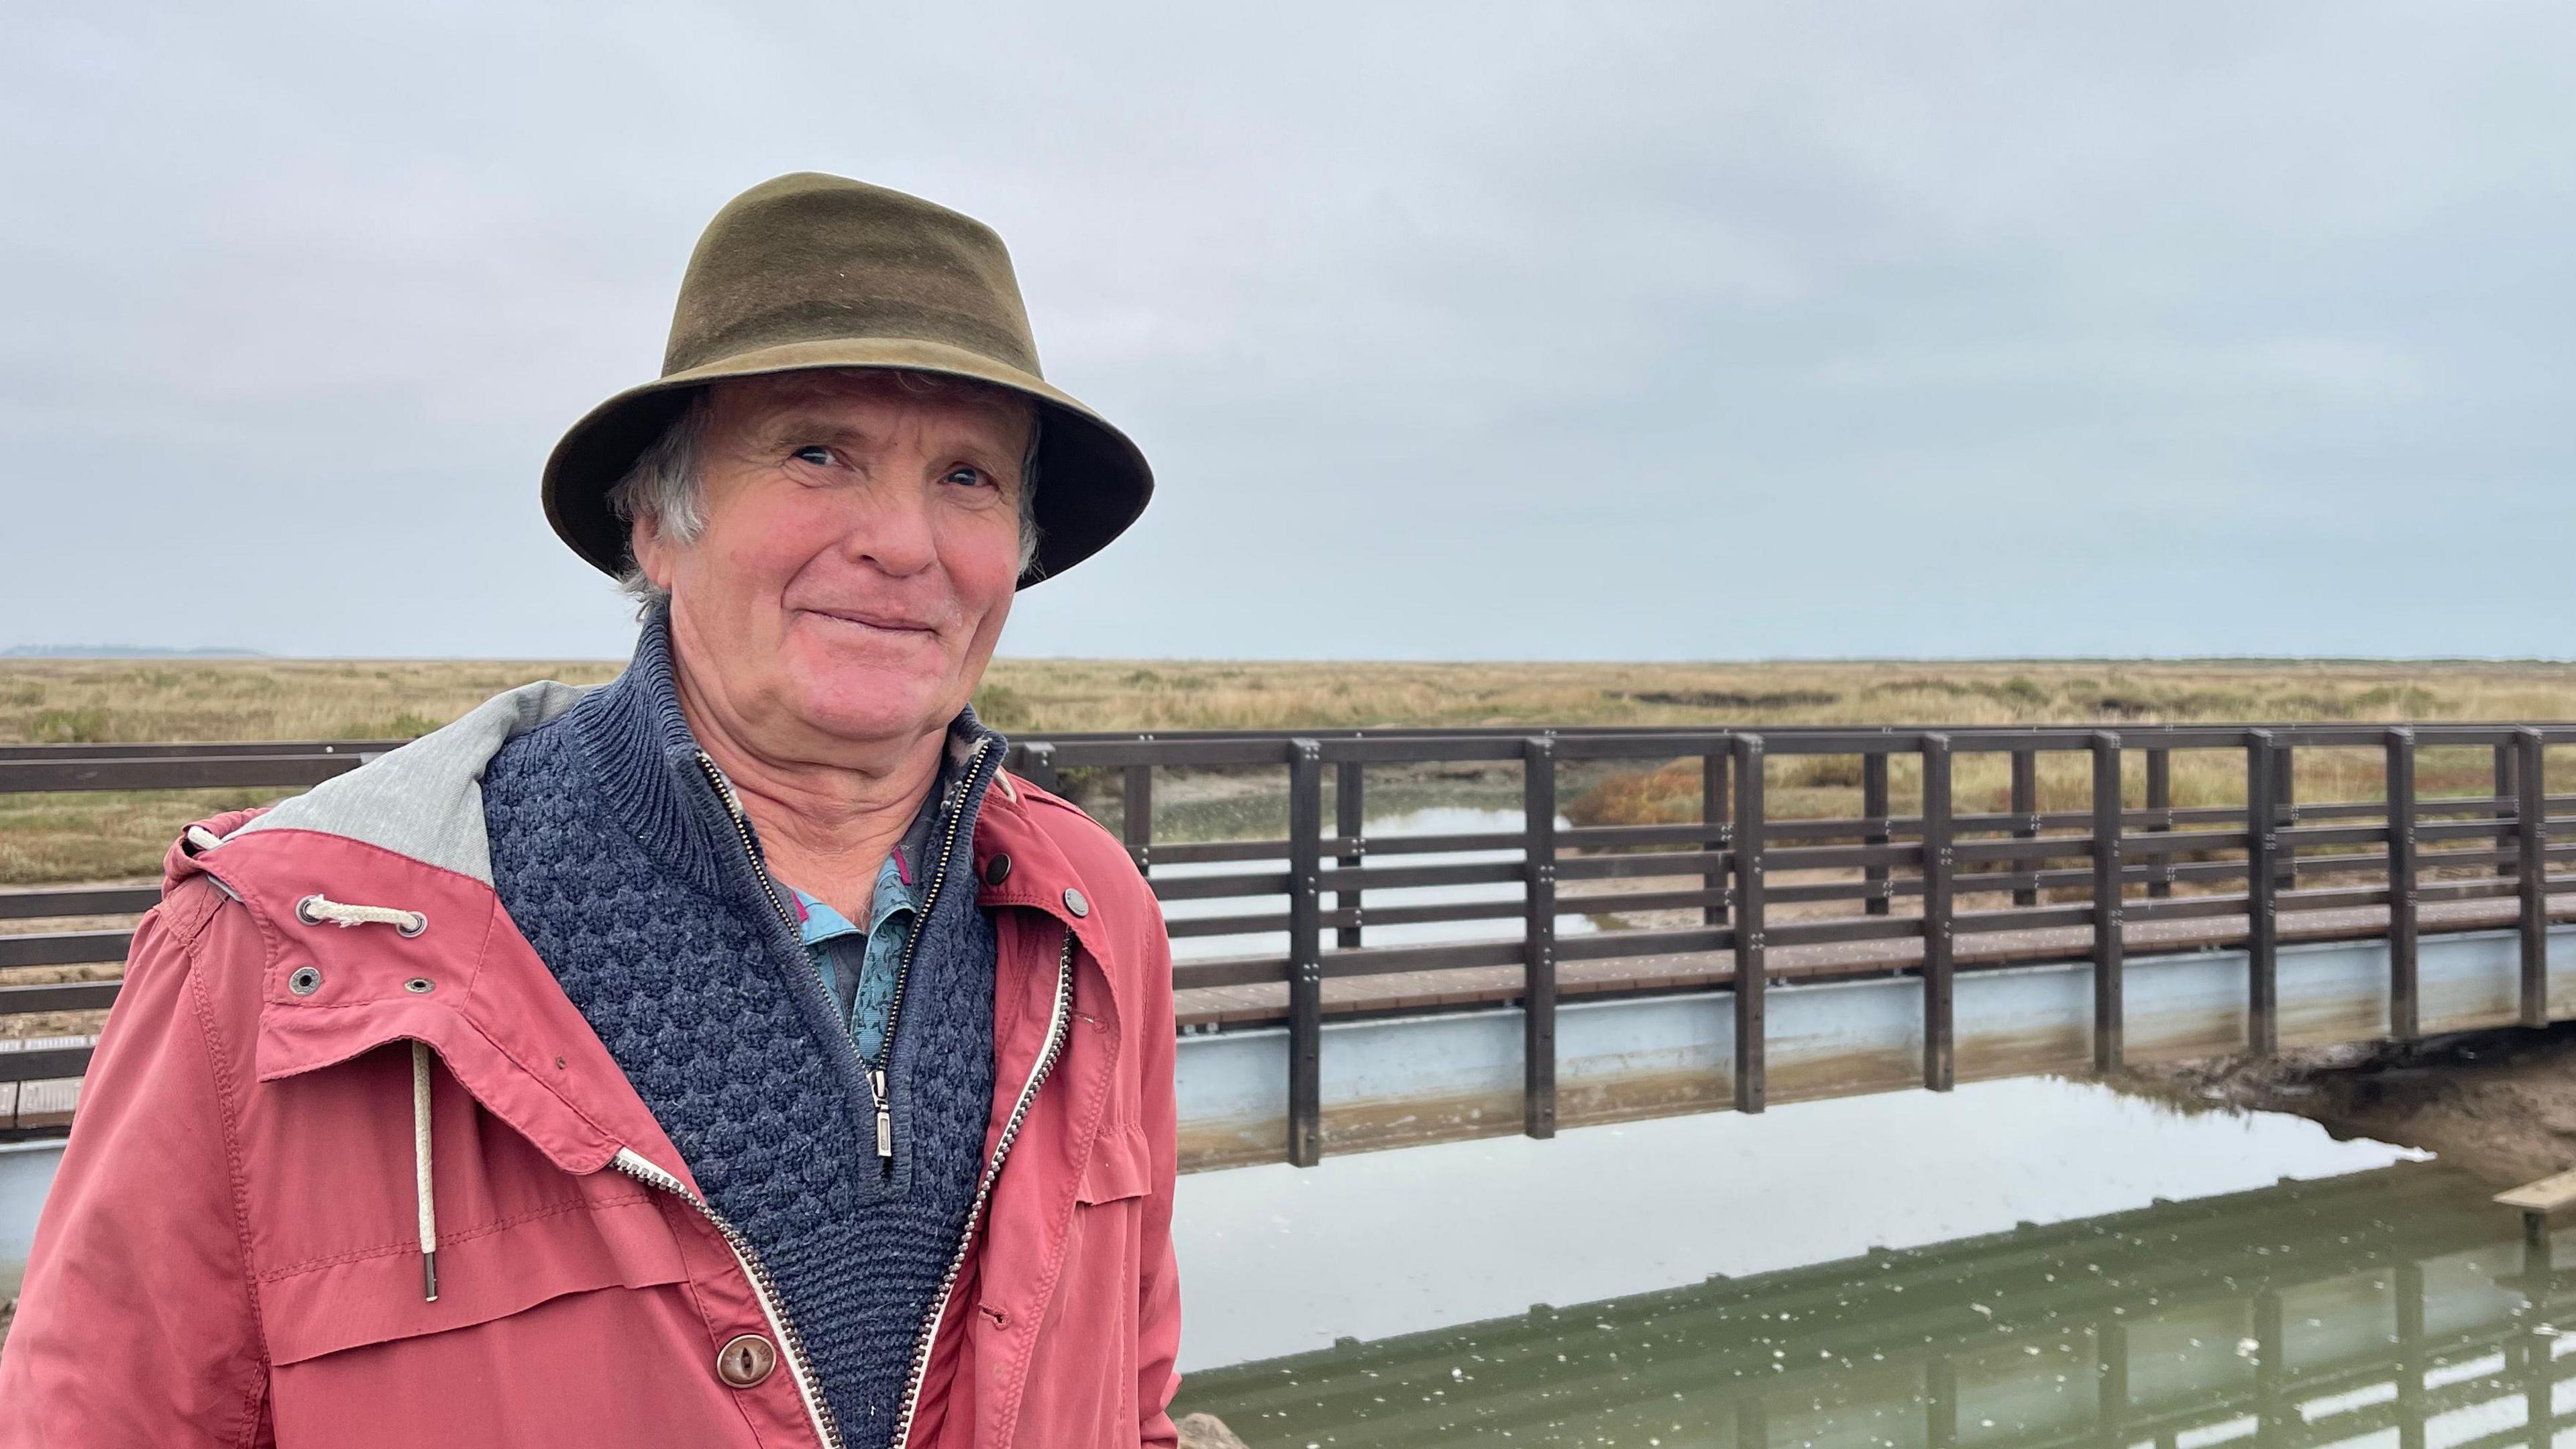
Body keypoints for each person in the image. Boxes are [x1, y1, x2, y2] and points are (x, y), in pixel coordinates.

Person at [0, 172, 1178, 1448]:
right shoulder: (276, 956)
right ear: (658, 526)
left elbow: (1131, 1387)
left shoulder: (1091, 920)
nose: (902, 542)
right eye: (817, 452)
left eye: (967, 478)